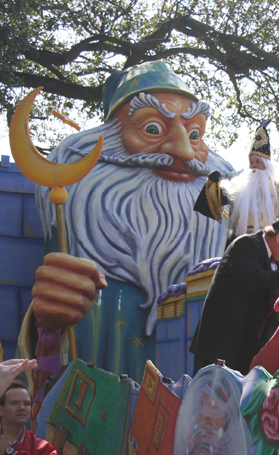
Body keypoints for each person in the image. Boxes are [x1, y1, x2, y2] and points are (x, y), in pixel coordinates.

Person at [20, 61, 239, 389]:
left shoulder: (229, 248)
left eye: (195, 134)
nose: (182, 151)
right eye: (152, 129)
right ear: (104, 142)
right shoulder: (73, 230)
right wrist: (47, 326)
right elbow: (43, 373)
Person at [190, 216, 279, 374]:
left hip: (245, 348)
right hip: (220, 344)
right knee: (208, 395)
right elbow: (255, 280)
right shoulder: (246, 244)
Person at [194, 119, 279, 258]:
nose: (254, 166)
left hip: (274, 258)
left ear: (267, 166)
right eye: (251, 162)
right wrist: (212, 184)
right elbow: (206, 205)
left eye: (258, 162)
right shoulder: (237, 190)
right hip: (241, 254)